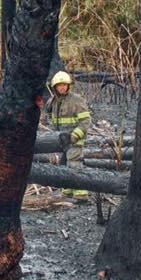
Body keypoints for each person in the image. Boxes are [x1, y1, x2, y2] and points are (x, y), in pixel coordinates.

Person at [45, 71, 92, 200]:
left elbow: (86, 121)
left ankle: (81, 195)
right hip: (61, 140)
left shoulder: (76, 100)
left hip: (74, 139)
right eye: (59, 85)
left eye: (65, 85)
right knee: (64, 164)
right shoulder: (54, 101)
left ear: (68, 85)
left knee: (74, 165)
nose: (62, 87)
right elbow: (50, 118)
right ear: (54, 87)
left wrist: (75, 136)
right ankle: (67, 192)